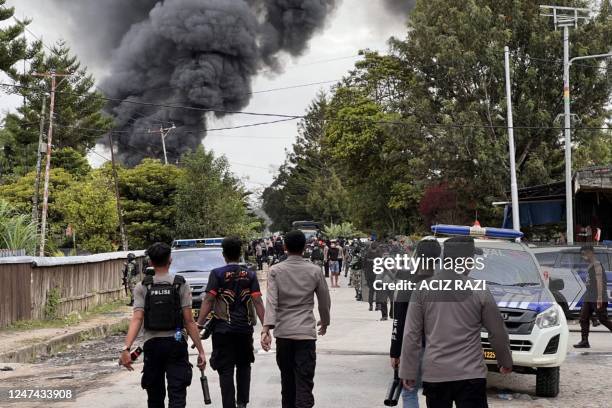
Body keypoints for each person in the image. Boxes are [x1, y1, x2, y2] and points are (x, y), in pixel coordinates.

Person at [399, 236, 513, 408]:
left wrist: (408, 370)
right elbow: (497, 332)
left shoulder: (422, 289)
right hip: (471, 375)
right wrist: (505, 361)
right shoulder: (479, 290)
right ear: (465, 261)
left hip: (436, 374)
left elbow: (411, 334)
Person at [120, 242, 206, 408]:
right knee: (177, 394)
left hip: (152, 346)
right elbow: (189, 321)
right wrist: (200, 350)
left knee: (155, 397)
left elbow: (137, 319)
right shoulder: (180, 284)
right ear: (170, 260)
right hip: (176, 341)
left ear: (150, 262)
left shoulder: (142, 286)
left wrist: (126, 348)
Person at [261, 230, 331, 408]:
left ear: (284, 247)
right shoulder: (315, 271)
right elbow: (324, 302)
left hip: (284, 335)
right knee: (304, 385)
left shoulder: (276, 271)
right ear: (305, 247)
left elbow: (271, 302)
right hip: (305, 335)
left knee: (288, 384)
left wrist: (266, 329)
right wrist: (325, 321)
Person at [197, 236, 266, 408]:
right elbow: (257, 301)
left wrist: (199, 324)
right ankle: (242, 403)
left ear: (223, 254)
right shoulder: (249, 275)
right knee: (244, 366)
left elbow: (208, 300)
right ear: (240, 253)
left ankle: (229, 405)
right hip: (244, 329)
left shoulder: (217, 274)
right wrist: (266, 327)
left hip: (222, 330)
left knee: (225, 369)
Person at [390, 239, 440, 408]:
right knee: (437, 395)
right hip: (440, 348)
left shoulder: (407, 285)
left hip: (412, 347)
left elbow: (398, 321)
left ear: (417, 256)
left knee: (409, 390)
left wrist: (395, 352)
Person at [574, 245, 612, 348]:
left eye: (584, 254)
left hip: (597, 296)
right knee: (583, 318)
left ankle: (584, 340)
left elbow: (599, 281)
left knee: (603, 319)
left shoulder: (596, 265)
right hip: (589, 296)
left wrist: (599, 297)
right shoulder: (590, 265)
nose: (583, 257)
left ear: (590, 253)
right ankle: (584, 341)